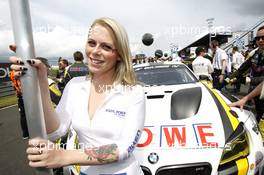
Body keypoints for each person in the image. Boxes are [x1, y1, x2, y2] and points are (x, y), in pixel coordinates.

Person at [10, 17, 145, 175]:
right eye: (92, 43)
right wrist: (41, 82)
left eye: (106, 47)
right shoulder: (75, 85)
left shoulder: (133, 92)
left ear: (120, 55)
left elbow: (123, 148)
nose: (95, 51)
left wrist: (65, 156)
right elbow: (55, 131)